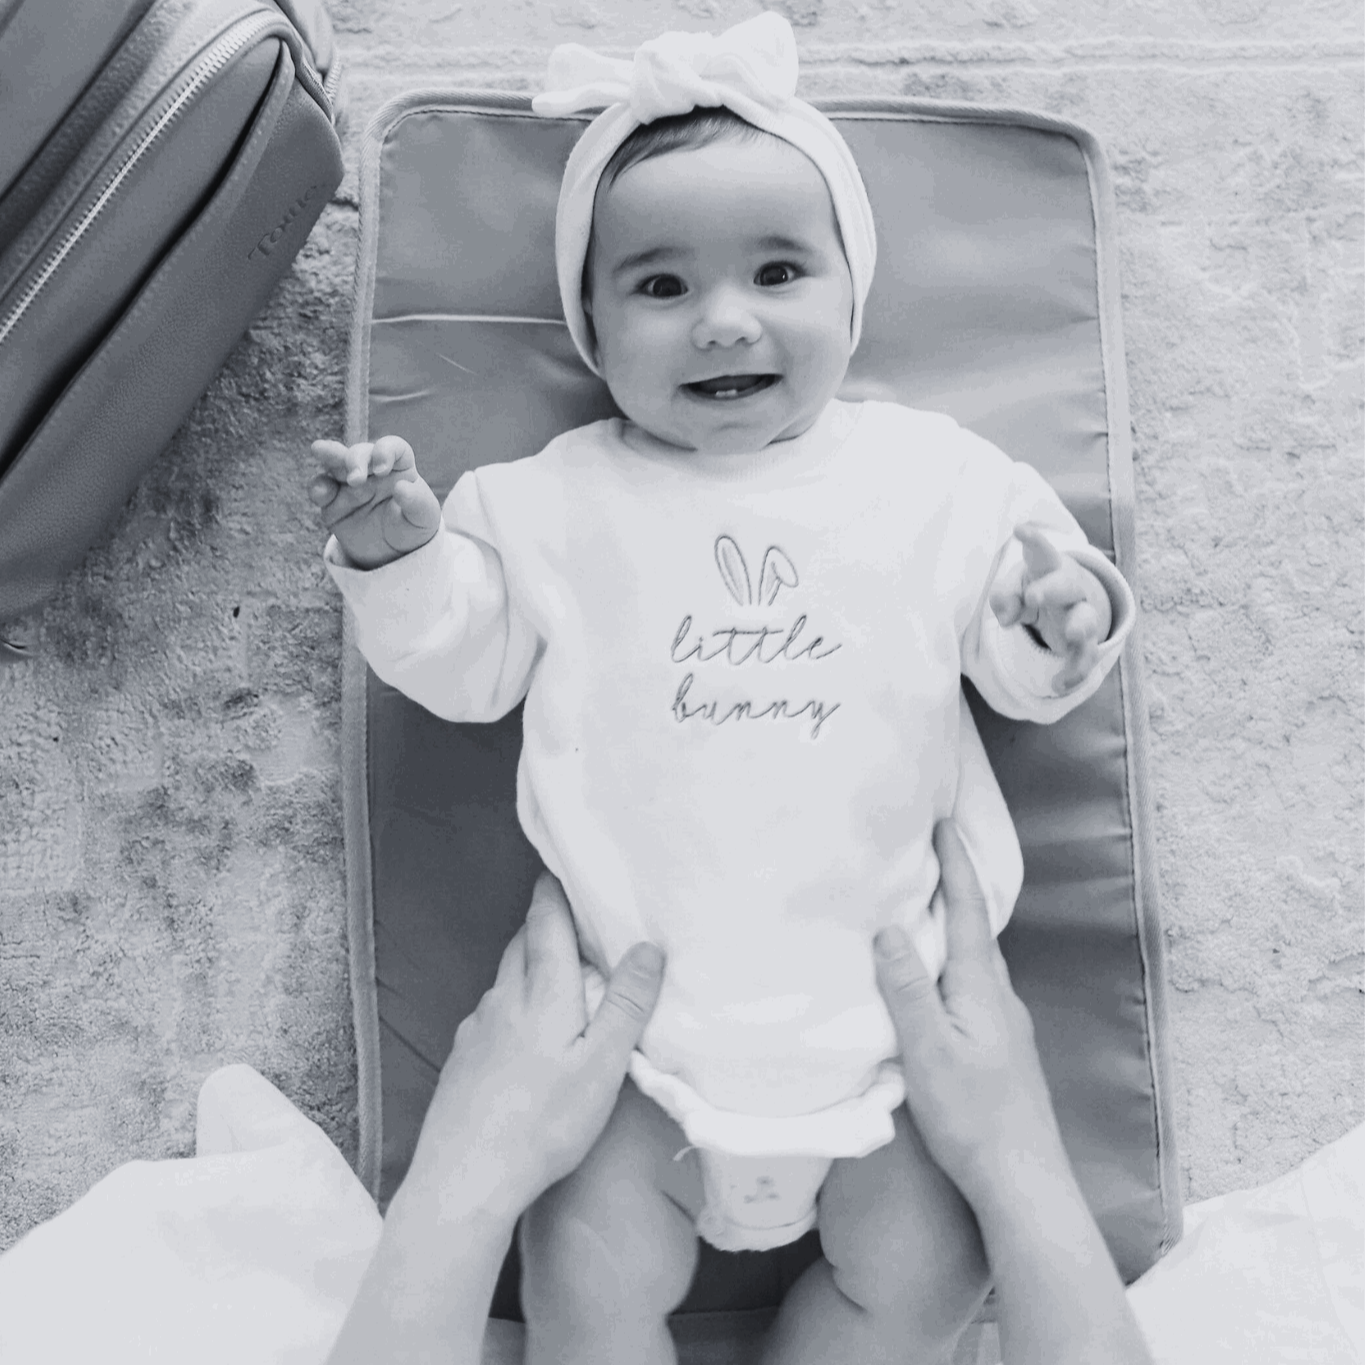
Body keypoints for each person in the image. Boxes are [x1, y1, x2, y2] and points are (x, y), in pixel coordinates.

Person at [309, 12, 1136, 1360]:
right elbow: (461, 665)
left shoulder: (937, 481)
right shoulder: (548, 502)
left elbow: (1028, 666)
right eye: (660, 286)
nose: (726, 320)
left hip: (901, 1040)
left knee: (927, 1278)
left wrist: (1062, 615)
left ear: (851, 294)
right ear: (589, 325)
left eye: (779, 270)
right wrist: (397, 560)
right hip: (628, 1053)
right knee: (584, 1285)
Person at [325, 819, 1153, 1365]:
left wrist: (466, 1174)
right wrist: (1014, 1162)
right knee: (938, 1258)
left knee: (585, 1273)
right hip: (877, 1065)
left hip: (651, 1064)